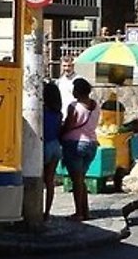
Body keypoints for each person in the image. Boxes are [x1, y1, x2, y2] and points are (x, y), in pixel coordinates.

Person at [59, 78, 100, 221]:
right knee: (81, 179)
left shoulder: (74, 106)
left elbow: (69, 125)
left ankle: (79, 213)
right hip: (92, 144)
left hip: (75, 144)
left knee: (76, 181)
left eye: (74, 89)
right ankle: (85, 211)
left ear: (78, 91)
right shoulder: (95, 105)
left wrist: (60, 134)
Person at [42, 81, 64, 222]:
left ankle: (36, 209)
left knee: (38, 180)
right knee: (50, 182)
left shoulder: (40, 112)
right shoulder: (58, 114)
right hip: (55, 146)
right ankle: (47, 212)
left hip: (43, 146)